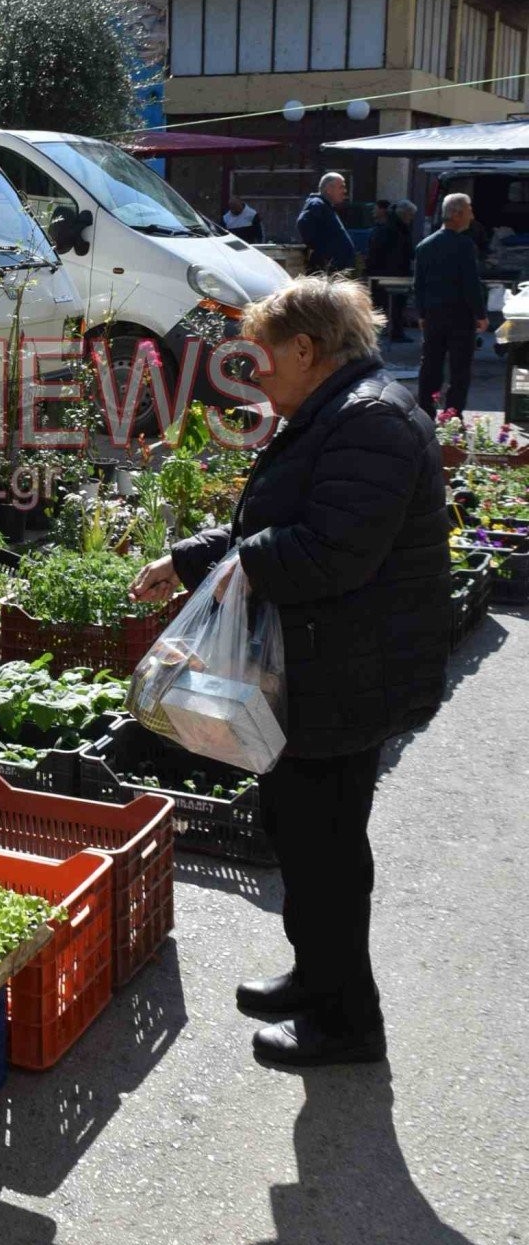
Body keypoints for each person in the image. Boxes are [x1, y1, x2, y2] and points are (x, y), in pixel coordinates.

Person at [130, 276, 450, 1070]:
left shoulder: (367, 421)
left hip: (346, 674)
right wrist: (191, 559)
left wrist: (228, 572)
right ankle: (317, 977)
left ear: (305, 350)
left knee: (326, 848)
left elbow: (326, 553)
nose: (253, 370)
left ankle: (347, 1021)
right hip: (322, 665)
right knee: (300, 835)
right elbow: (279, 524)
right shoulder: (336, 408)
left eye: (260, 355)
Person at [413, 191, 488, 417]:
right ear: (457, 214)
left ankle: (425, 412)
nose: (472, 216)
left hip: (434, 315)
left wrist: (422, 315)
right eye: (469, 210)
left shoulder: (424, 245)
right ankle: (453, 415)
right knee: (460, 369)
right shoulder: (464, 245)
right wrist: (481, 314)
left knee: (431, 365)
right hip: (460, 316)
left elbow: (419, 285)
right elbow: (470, 283)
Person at [365, 199, 414, 343]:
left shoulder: (385, 227)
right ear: (405, 215)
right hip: (393, 272)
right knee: (395, 304)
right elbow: (406, 251)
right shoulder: (398, 229)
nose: (411, 219)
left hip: (382, 271)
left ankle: (378, 333)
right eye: (410, 215)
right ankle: (394, 333)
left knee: (382, 304)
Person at [295, 172, 355, 274]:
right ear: (328, 189)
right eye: (341, 187)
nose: (344, 191)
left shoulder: (326, 207)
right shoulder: (317, 204)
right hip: (326, 271)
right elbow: (303, 223)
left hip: (335, 271)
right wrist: (323, 253)